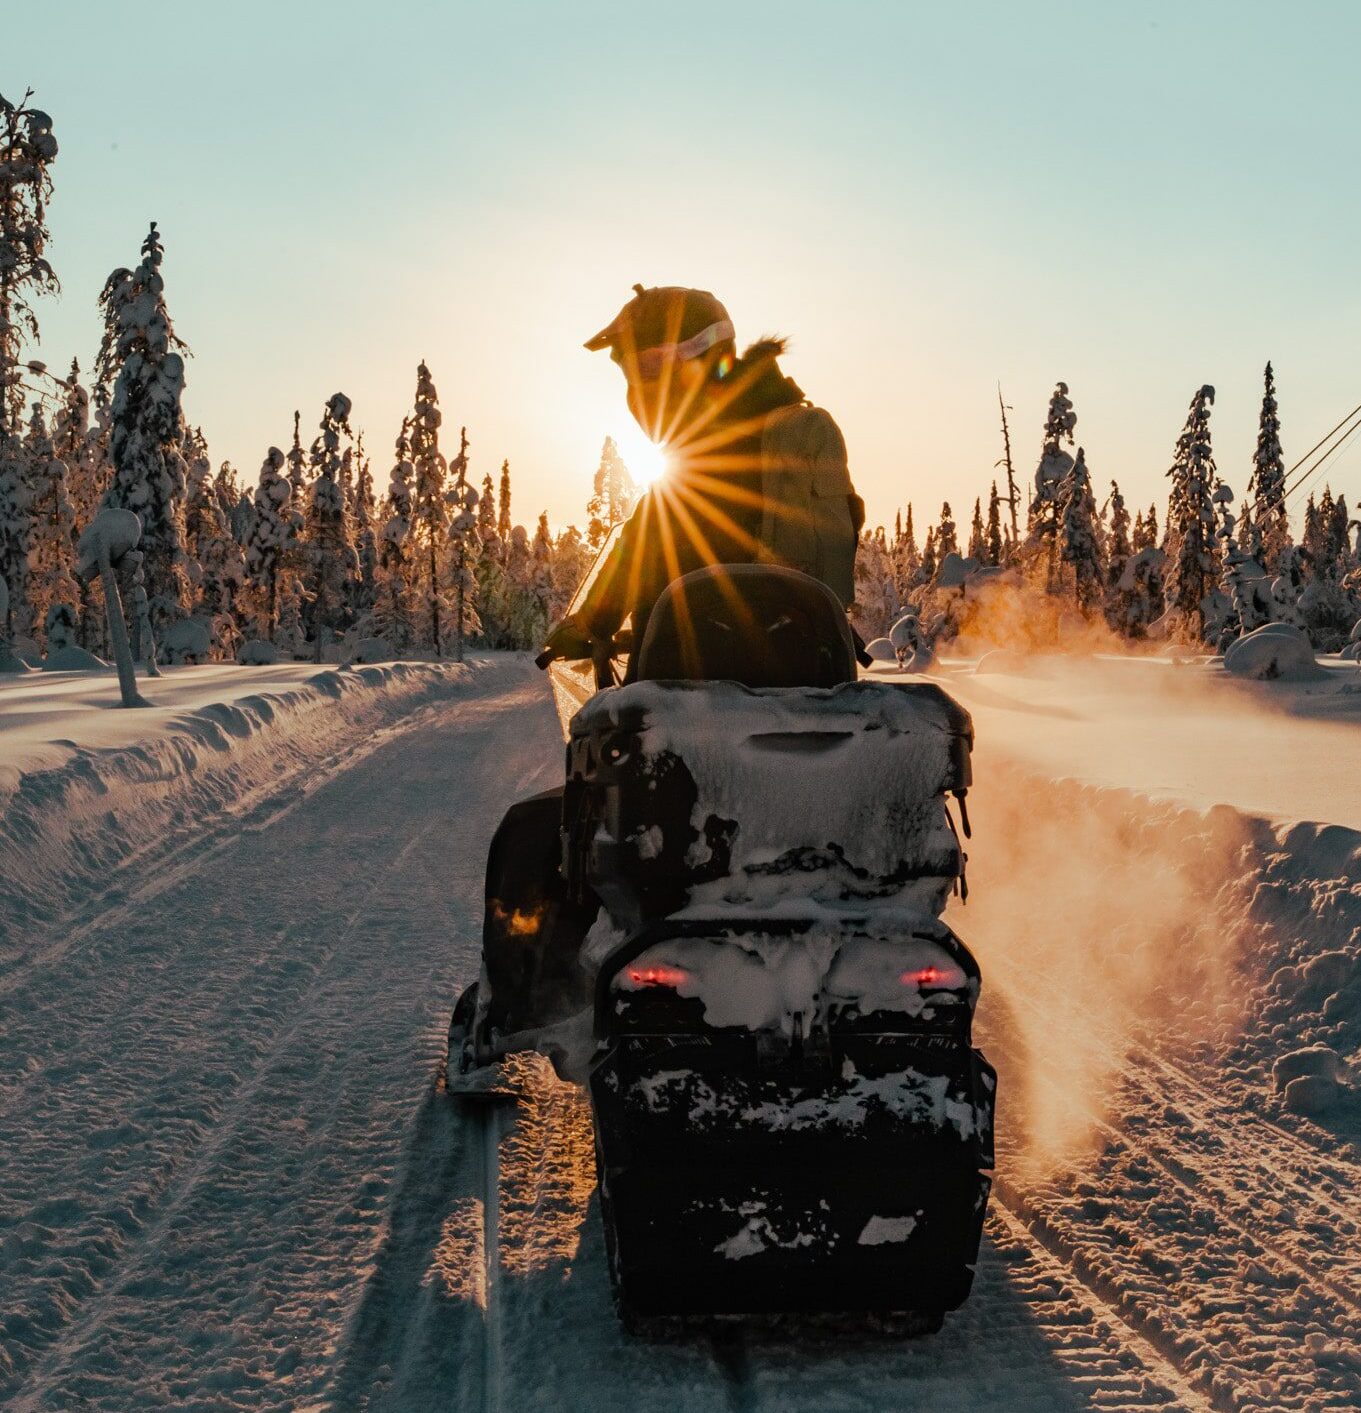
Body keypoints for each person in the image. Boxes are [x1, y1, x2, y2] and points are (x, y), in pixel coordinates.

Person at [461, 286, 866, 1053]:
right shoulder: (791, 434)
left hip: (688, 746)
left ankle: (520, 1012)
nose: (633, 394)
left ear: (676, 367)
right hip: (811, 742)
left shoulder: (695, 466)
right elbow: (821, 569)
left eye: (636, 374)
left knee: (530, 837)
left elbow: (640, 549)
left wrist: (583, 628)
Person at [544, 284, 866, 673]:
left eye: (648, 366)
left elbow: (639, 546)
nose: (639, 385)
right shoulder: (782, 433)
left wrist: (590, 623)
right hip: (806, 675)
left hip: (688, 696)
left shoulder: (703, 458)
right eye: (631, 370)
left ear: (702, 356)